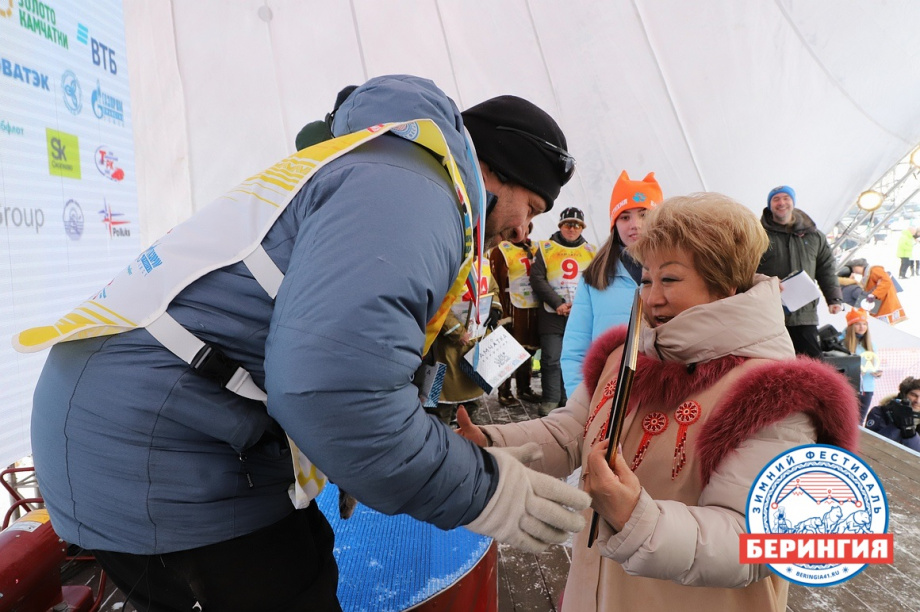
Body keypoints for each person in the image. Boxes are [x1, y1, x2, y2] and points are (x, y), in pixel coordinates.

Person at [23, 75, 591, 611]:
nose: (524, 231)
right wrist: (485, 492)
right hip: (154, 455)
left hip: (146, 433)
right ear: (497, 170)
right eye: (532, 209)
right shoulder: (414, 189)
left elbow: (331, 351)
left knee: (305, 563)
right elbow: (335, 393)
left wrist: (379, 456)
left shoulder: (383, 169)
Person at [457, 192, 859, 612]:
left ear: (725, 284)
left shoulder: (772, 396)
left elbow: (754, 539)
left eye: (669, 279)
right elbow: (571, 431)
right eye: (646, 279)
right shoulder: (629, 356)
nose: (652, 298)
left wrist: (637, 518)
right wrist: (487, 442)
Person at [561, 170, 661, 397]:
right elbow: (575, 351)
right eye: (624, 217)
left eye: (644, 215)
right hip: (606, 399)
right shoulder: (595, 277)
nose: (634, 224)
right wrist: (581, 406)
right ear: (614, 224)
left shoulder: (680, 275)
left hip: (658, 402)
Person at [757, 185, 843, 357]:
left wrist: (834, 298)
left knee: (812, 366)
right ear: (769, 205)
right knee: (772, 366)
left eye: (786, 198)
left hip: (804, 314)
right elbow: (746, 268)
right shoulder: (758, 235)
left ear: (793, 202)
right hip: (770, 314)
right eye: (776, 199)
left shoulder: (814, 236)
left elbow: (826, 268)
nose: (781, 203)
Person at [530, 207, 596, 415]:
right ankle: (550, 398)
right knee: (550, 358)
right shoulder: (546, 247)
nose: (572, 228)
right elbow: (537, 278)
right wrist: (557, 302)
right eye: (568, 224)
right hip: (552, 313)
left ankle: (569, 398)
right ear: (560, 226)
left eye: (577, 225)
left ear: (582, 228)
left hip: (579, 314)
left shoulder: (591, 251)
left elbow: (596, 281)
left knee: (575, 357)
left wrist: (580, 305)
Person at [427, 255, 503, 423]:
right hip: (445, 347)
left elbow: (493, 290)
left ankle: (467, 438)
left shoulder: (483, 261)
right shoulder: (446, 260)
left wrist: (495, 309)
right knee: (437, 401)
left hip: (475, 342)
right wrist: (457, 332)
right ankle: (437, 440)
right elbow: (437, 301)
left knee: (473, 399)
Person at [490, 226, 542, 406]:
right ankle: (504, 391)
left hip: (532, 307)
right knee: (510, 349)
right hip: (512, 307)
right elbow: (494, 280)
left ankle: (524, 388)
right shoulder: (501, 249)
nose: (522, 231)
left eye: (526, 228)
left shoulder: (535, 247)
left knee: (528, 350)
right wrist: (502, 311)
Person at [840, 308, 882, 423]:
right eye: (858, 324)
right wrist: (855, 371)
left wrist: (877, 373)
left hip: (867, 389)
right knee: (844, 421)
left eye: (864, 324)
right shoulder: (842, 342)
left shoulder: (871, 345)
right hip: (849, 388)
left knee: (859, 422)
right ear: (851, 325)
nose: (862, 327)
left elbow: (874, 365)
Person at [845, 258, 907, 324]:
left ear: (859, 266)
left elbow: (886, 281)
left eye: (854, 268)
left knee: (883, 324)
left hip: (884, 300)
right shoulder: (866, 275)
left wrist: (874, 294)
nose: (854, 271)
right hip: (878, 302)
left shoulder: (874, 270)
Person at [865, 377, 920, 451]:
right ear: (903, 395)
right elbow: (871, 445)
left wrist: (910, 432)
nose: (917, 401)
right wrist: (896, 425)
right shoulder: (880, 412)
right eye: (913, 395)